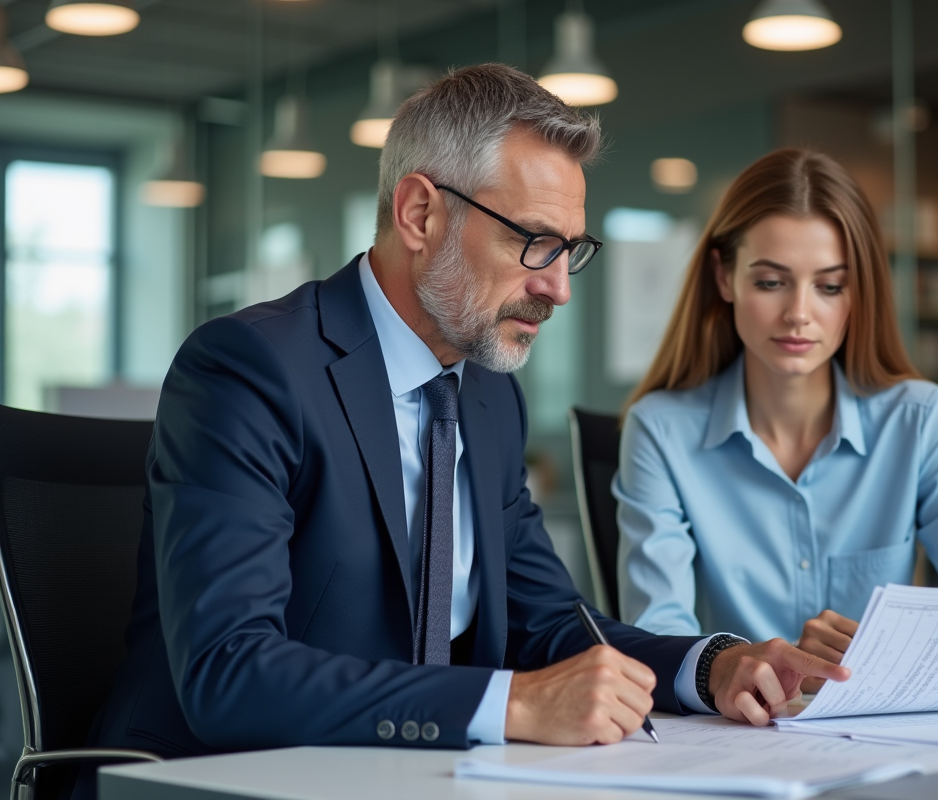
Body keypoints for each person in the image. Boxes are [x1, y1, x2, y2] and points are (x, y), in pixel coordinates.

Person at [77, 68, 848, 800]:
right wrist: (513, 704)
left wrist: (710, 668)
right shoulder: (250, 370)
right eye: (533, 240)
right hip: (222, 780)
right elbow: (230, 672)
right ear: (420, 214)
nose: (558, 288)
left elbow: (551, 625)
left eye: (570, 250)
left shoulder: (487, 397)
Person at [616, 148, 938, 697]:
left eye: (829, 286)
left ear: (858, 292)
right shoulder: (659, 431)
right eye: (771, 282)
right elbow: (656, 642)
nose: (799, 313)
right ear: (724, 276)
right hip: (735, 732)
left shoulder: (920, 422)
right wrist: (751, 666)